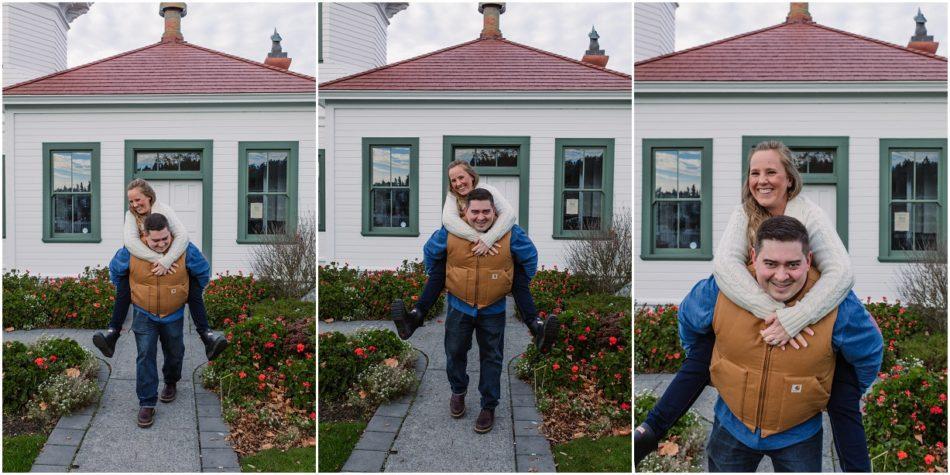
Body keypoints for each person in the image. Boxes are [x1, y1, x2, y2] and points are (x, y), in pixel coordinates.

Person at [635, 141, 870, 471]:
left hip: (813, 306)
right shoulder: (744, 212)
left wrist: (797, 317)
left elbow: (842, 273)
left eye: (771, 171)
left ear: (789, 178)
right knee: (704, 352)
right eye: (754, 172)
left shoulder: (810, 215)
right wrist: (769, 317)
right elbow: (725, 267)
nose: (762, 180)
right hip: (750, 306)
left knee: (844, 395)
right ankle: (650, 430)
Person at [679, 216, 882, 471]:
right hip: (731, 425)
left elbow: (870, 353)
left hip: (799, 435)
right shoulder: (722, 288)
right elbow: (688, 319)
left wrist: (829, 391)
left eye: (793, 264)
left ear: (808, 261)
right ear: (753, 257)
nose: (782, 276)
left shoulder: (838, 305)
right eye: (771, 263)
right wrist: (712, 368)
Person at [391, 159, 557, 351]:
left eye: (461, 177)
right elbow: (440, 232)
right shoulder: (451, 209)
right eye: (453, 180)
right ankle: (415, 316)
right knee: (439, 266)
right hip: (461, 296)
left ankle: (536, 326)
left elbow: (512, 219)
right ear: (465, 211)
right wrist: (444, 276)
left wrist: (511, 278)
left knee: (518, 274)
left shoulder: (498, 208)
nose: (458, 183)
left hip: (492, 299)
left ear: (472, 176)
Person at [420, 188, 538, 433]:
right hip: (458, 305)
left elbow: (530, 257)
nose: (481, 217)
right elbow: (430, 254)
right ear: (465, 212)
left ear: (494, 212)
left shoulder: (510, 233)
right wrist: (442, 277)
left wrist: (514, 282)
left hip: (492, 307)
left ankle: (488, 405)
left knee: (492, 358)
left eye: (486, 211)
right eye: (475, 212)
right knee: (454, 353)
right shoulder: (450, 231)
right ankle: (458, 391)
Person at [93, 179, 227, 361]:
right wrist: (159, 261)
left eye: (138, 199)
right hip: (145, 251)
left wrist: (170, 260)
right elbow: (131, 242)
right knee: (123, 279)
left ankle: (207, 336)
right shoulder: (131, 215)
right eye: (131, 201)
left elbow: (182, 236)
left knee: (195, 281)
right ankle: (112, 333)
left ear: (149, 197)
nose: (134, 204)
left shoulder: (162, 209)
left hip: (174, 247)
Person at [108, 213, 211, 428]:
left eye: (166, 238)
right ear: (144, 236)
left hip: (173, 313)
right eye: (156, 240)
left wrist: (188, 291)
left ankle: (171, 382)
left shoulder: (184, 250)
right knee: (145, 355)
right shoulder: (130, 251)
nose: (162, 244)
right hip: (144, 313)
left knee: (175, 352)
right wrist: (130, 291)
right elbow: (115, 272)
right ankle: (146, 402)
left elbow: (203, 271)